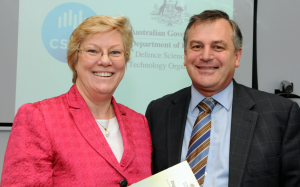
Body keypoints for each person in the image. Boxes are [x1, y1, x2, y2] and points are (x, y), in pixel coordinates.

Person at [146, 10, 300, 187]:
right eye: (196, 46)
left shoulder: (280, 114)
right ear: (185, 55)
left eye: (217, 47)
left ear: (237, 56)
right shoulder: (158, 111)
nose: (205, 56)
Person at [1, 15, 152, 187]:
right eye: (93, 51)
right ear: (75, 59)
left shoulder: (139, 123)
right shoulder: (39, 117)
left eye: (115, 52)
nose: (105, 60)